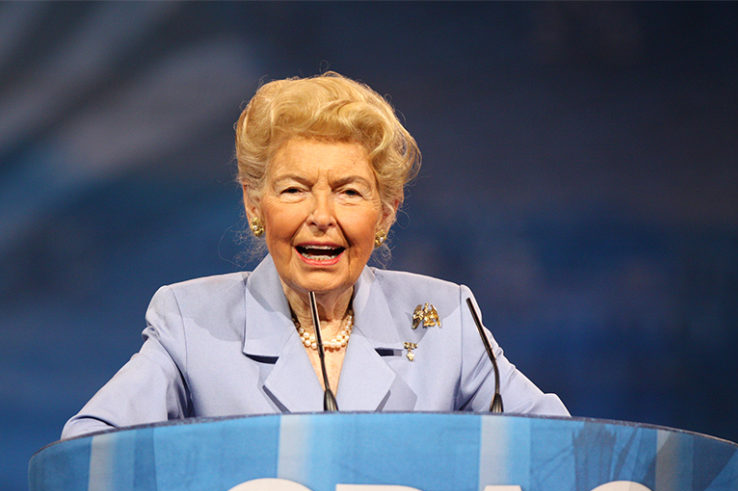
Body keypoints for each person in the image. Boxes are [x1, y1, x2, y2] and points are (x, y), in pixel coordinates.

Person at [61, 72, 568, 439]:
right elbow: (89, 450)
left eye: (349, 192)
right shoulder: (192, 323)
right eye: (294, 190)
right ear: (253, 203)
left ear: (387, 212)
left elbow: (560, 447)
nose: (321, 215)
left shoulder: (447, 318)